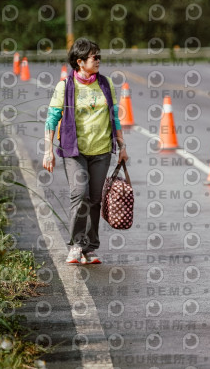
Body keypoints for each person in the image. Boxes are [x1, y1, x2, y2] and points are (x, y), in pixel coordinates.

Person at [43, 37, 128, 264]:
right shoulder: (65, 86)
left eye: (99, 56)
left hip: (101, 151)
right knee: (79, 195)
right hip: (74, 151)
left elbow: (115, 118)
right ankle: (75, 245)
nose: (99, 60)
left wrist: (122, 147)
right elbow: (51, 120)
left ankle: (89, 247)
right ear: (80, 62)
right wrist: (47, 151)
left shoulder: (106, 84)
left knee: (95, 200)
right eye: (94, 57)